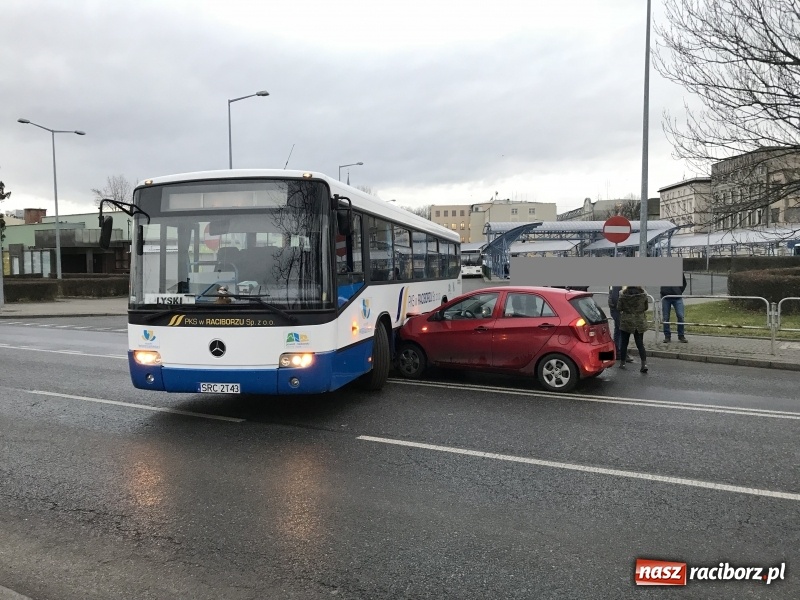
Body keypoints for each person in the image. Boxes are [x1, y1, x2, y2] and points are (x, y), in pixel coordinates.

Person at [618, 285, 649, 373]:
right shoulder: (643, 294)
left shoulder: (623, 294)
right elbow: (646, 307)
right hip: (639, 321)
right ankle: (644, 364)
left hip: (626, 321)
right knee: (640, 344)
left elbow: (619, 307)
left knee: (624, 343)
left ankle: (622, 363)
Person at [608, 285, 634, 363]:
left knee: (618, 331)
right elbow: (616, 297)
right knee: (623, 331)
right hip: (618, 310)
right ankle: (622, 353)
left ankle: (617, 351)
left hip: (616, 309)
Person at [660, 274, 688, 343]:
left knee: (680, 316)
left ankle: (681, 335)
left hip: (677, 297)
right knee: (666, 317)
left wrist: (679, 291)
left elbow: (684, 282)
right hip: (666, 297)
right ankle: (667, 336)